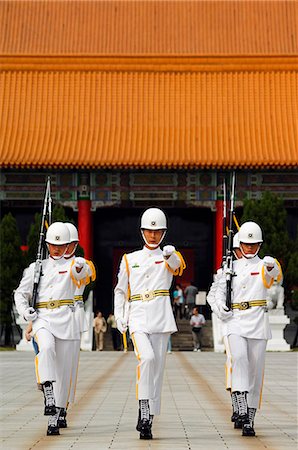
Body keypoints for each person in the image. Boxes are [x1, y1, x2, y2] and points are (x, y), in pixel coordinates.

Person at [14, 222, 92, 436]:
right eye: (53, 244)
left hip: (65, 319)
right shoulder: (35, 268)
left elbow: (82, 274)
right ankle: (47, 388)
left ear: (69, 245)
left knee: (64, 370)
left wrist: (79, 267)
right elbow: (20, 293)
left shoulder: (74, 264)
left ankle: (55, 416)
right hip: (43, 318)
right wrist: (25, 311)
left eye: (62, 245)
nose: (57, 249)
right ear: (47, 244)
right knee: (46, 348)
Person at [114, 207, 185, 440]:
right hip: (138, 316)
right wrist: (119, 315)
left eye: (157, 231)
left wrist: (169, 255)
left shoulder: (168, 256)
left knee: (157, 369)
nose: (153, 235)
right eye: (149, 230)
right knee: (147, 358)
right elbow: (120, 290)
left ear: (164, 232)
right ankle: (144, 408)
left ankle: (149, 418)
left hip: (161, 316)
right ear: (142, 231)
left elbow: (177, 267)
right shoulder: (130, 259)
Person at [211, 221, 282, 437]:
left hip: (258, 321)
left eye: (254, 244)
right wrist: (220, 308)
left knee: (255, 371)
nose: (250, 248)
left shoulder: (265, 265)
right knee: (239, 358)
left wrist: (271, 267)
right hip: (235, 320)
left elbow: (274, 276)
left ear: (260, 244)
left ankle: (250, 418)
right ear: (240, 243)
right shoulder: (229, 268)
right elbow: (216, 293)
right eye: (246, 244)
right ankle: (240, 403)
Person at [207, 232, 242, 422]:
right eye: (237, 250)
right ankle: (237, 402)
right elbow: (212, 297)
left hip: (250, 322)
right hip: (231, 323)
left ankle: (243, 402)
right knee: (233, 360)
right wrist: (221, 309)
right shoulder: (224, 272)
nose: (241, 253)